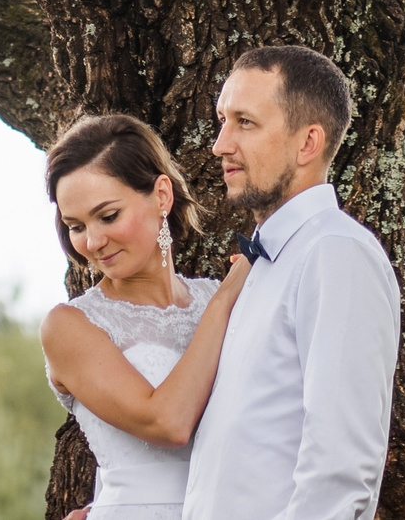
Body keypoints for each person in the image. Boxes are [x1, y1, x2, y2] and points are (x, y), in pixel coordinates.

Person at [182, 44, 402, 520]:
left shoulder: (336, 254)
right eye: (223, 120)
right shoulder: (262, 266)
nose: (220, 145)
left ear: (308, 144)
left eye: (245, 122)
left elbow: (340, 477)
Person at [43, 113, 253, 520]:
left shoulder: (215, 296)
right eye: (75, 226)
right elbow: (169, 423)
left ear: (161, 195)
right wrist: (229, 294)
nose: (92, 242)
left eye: (108, 216)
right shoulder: (69, 326)